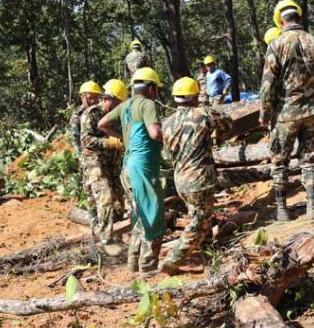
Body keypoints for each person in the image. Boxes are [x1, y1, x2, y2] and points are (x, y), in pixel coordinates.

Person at [260, 0, 314, 221]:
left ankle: (281, 210)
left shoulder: (276, 44)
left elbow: (268, 84)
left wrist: (265, 113)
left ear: (280, 20)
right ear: (299, 17)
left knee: (279, 160)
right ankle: (312, 208)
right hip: (313, 111)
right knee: (310, 158)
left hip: (286, 113)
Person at [158, 77, 232, 274]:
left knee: (200, 215)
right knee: (200, 221)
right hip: (200, 179)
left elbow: (166, 154)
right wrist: (217, 136)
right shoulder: (203, 113)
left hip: (181, 180)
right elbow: (227, 122)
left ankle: (208, 254)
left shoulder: (166, 123)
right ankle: (173, 259)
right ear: (194, 97)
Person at [99, 67, 165, 274]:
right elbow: (155, 134)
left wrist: (123, 136)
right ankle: (148, 266)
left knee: (138, 214)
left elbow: (103, 124)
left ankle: (133, 264)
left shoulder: (125, 105)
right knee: (152, 214)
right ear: (151, 88)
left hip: (127, 167)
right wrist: (176, 136)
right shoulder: (148, 105)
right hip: (142, 167)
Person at [79, 79, 127, 253]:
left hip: (112, 164)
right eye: (118, 103)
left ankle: (109, 234)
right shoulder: (91, 114)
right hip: (94, 162)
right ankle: (106, 240)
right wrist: (109, 142)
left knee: (119, 202)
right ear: (109, 99)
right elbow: (85, 140)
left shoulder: (118, 115)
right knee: (104, 197)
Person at [70, 81, 102, 156]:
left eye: (95, 97)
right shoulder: (77, 117)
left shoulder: (101, 111)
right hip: (89, 157)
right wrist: (80, 158)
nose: (93, 101)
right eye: (90, 98)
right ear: (82, 98)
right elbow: (76, 142)